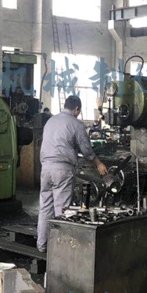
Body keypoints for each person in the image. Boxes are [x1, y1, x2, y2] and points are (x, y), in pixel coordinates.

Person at [36, 95, 107, 253]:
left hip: (45, 168)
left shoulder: (51, 121)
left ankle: (42, 245)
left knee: (45, 208)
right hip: (62, 169)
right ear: (76, 109)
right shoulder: (76, 123)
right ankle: (60, 251)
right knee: (62, 210)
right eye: (79, 111)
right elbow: (86, 150)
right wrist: (99, 164)